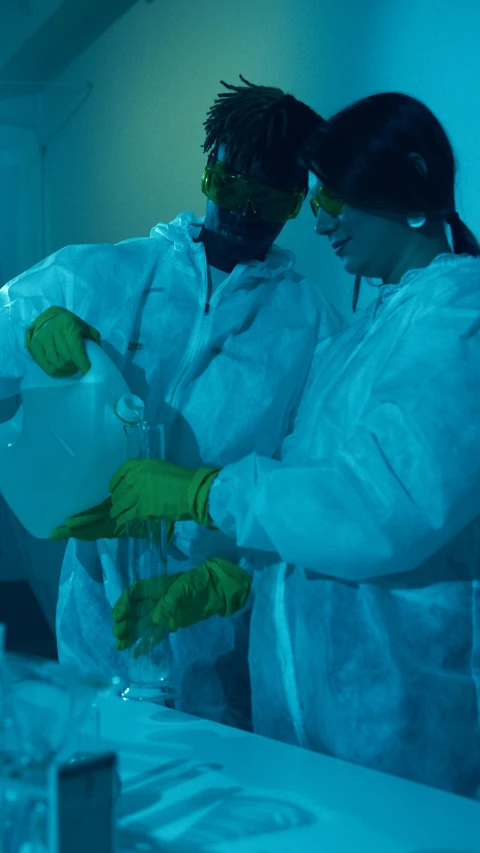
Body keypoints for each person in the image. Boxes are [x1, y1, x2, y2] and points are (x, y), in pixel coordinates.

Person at [109, 92, 480, 798]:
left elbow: (382, 504)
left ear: (406, 178)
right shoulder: (361, 335)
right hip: (303, 724)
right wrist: (228, 578)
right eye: (317, 199)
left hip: (399, 729)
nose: (320, 220)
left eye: (337, 197)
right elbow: (309, 505)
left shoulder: (462, 314)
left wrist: (204, 490)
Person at [0, 75, 340, 729]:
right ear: (208, 167)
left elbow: (309, 484)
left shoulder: (312, 328)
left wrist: (224, 577)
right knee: (99, 783)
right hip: (97, 607)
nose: (243, 212)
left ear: (299, 201)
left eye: (269, 197)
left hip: (215, 614)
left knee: (216, 791)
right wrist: (31, 331)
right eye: (231, 184)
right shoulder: (112, 274)